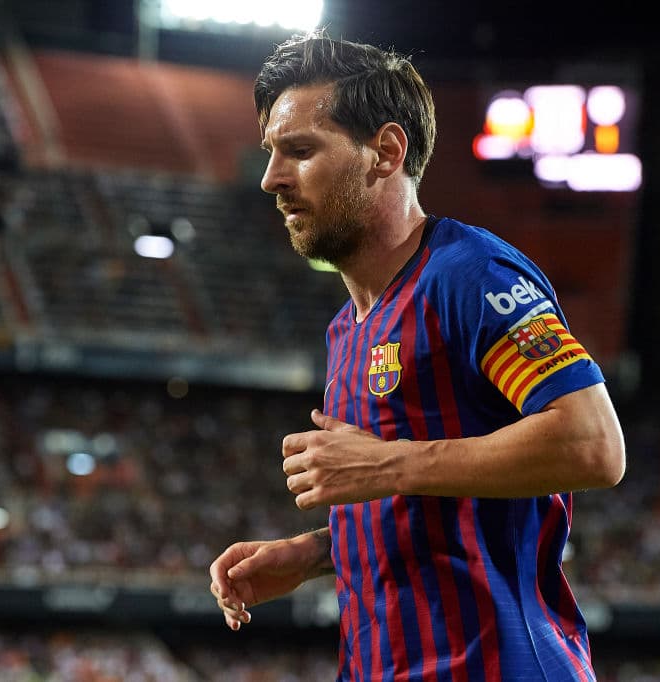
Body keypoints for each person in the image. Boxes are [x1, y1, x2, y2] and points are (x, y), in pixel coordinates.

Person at [209, 30, 627, 682]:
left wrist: (387, 463)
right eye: (271, 153)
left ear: (385, 152)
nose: (271, 179)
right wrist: (319, 551)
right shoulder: (346, 330)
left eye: (300, 151)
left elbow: (594, 445)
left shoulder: (470, 275)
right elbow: (428, 505)